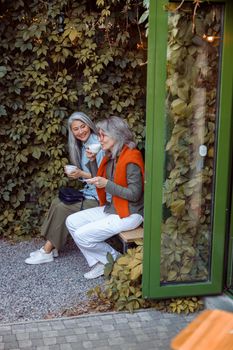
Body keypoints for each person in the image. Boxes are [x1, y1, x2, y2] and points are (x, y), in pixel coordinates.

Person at [66, 116, 144, 279]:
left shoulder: (131, 158)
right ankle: (98, 263)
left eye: (103, 135)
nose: (99, 139)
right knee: (71, 222)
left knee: (82, 235)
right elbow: (98, 180)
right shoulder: (112, 155)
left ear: (116, 135)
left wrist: (107, 184)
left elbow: (135, 195)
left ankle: (116, 260)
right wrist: (93, 161)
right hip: (114, 207)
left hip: (130, 213)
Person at [25, 111, 104, 265]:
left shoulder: (96, 145)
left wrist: (81, 173)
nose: (81, 131)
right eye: (76, 129)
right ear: (72, 132)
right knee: (57, 202)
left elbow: (101, 176)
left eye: (83, 126)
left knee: (63, 208)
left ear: (89, 125)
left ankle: (47, 251)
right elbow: (91, 174)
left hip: (99, 197)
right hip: (90, 192)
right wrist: (79, 174)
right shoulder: (83, 145)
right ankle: (52, 246)